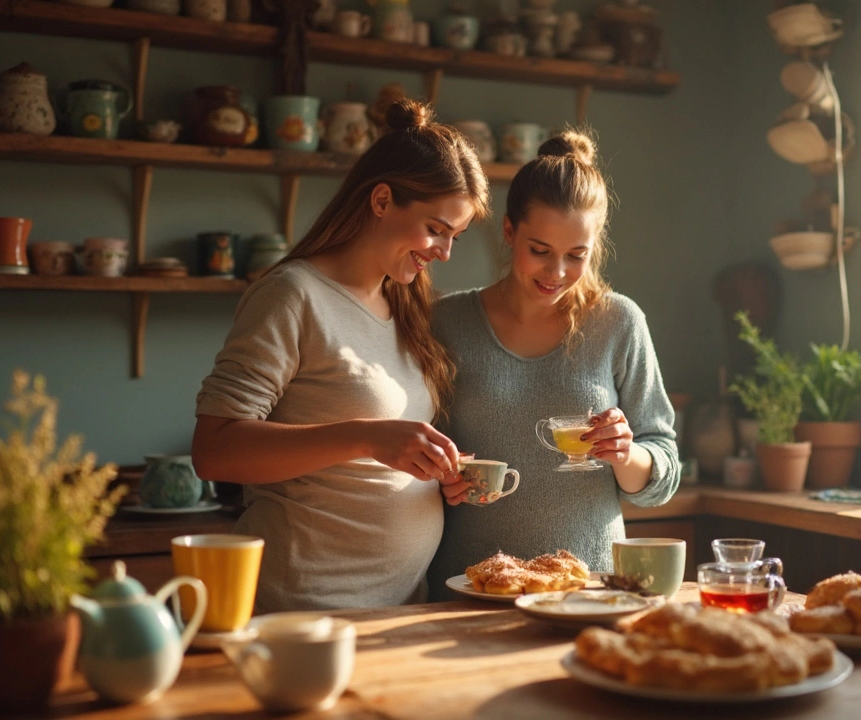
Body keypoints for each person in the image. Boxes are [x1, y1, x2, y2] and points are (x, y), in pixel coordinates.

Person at [192, 99, 490, 612]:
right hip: (308, 605)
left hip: (398, 609)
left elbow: (374, 463)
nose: (444, 252)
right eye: (436, 229)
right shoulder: (293, 294)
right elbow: (213, 451)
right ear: (380, 200)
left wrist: (437, 471)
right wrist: (366, 436)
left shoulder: (407, 305)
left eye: (455, 238)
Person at [426, 129, 679, 597]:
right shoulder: (445, 322)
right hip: (472, 590)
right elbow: (415, 455)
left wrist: (627, 453)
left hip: (589, 592)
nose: (556, 273)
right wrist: (440, 481)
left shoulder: (619, 322)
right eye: (539, 251)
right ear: (508, 231)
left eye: (576, 255)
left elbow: (661, 470)